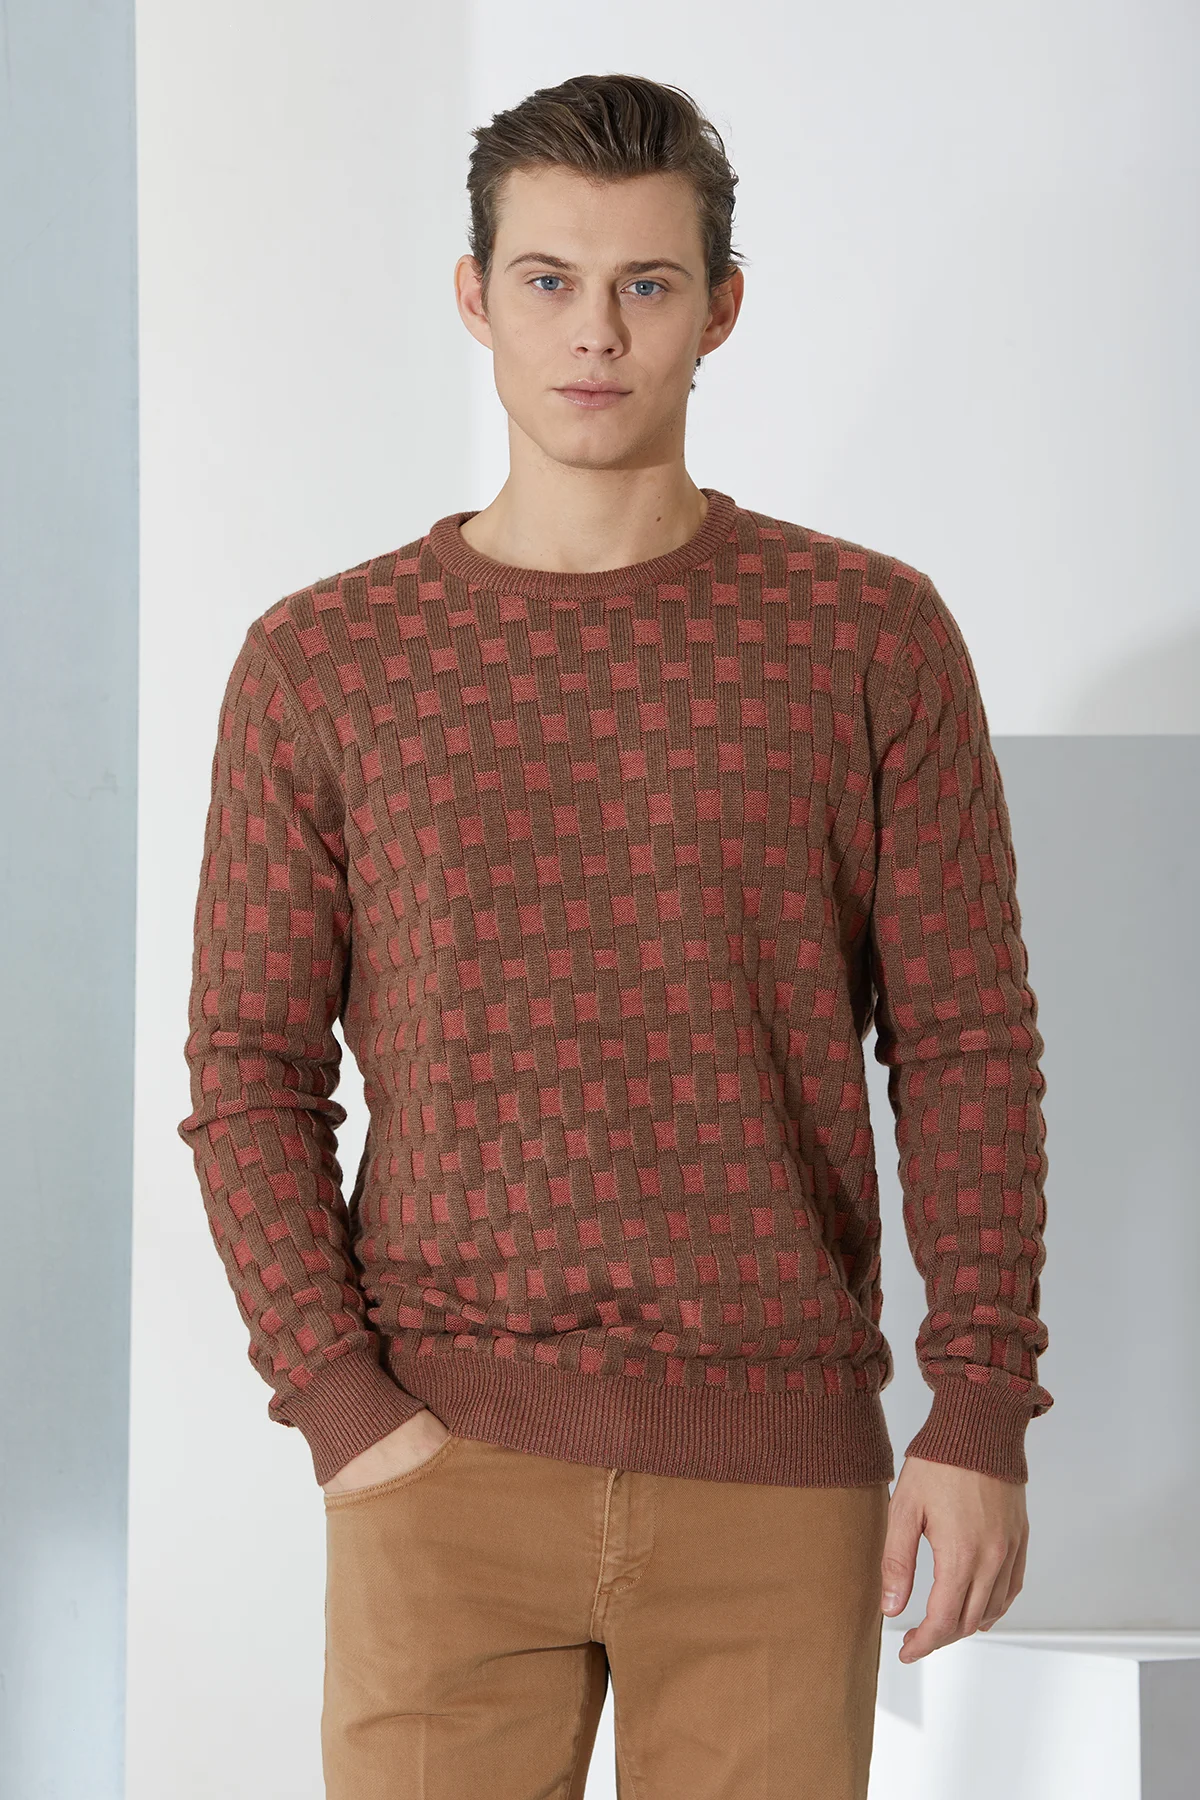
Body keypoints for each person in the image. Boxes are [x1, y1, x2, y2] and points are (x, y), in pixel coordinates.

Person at [179, 70, 1052, 1800]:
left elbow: (966, 1045)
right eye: (550, 280)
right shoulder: (325, 660)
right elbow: (249, 1071)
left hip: (776, 1477)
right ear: (475, 297)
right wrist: (343, 1407)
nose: (596, 332)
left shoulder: (868, 637)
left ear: (720, 309)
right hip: (440, 1468)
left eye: (647, 284)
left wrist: (979, 1412)